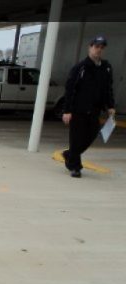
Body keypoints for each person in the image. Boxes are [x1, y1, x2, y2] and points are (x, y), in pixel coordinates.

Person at [61, 35, 116, 178]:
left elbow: (108, 88)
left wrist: (110, 105)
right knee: (76, 138)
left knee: (91, 135)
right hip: (78, 110)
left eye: (101, 48)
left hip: (95, 110)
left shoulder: (106, 68)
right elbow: (70, 89)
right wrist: (67, 111)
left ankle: (69, 154)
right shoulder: (81, 67)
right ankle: (75, 167)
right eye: (96, 47)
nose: (99, 50)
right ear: (90, 48)